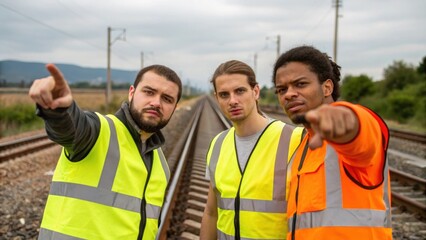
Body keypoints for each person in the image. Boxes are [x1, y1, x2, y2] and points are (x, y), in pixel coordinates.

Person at [28, 63, 182, 239]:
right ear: (131, 93)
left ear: (175, 107)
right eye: (149, 92)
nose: (156, 103)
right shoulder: (100, 131)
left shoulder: (160, 164)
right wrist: (59, 111)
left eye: (167, 99)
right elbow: (73, 128)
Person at [272, 45, 392, 240]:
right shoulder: (303, 146)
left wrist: (348, 120)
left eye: (300, 84)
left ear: (327, 87)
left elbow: (360, 131)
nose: (289, 94)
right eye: (281, 89)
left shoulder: (347, 134)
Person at [200, 60, 304, 239]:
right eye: (224, 95)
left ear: (255, 92)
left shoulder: (294, 139)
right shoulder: (218, 144)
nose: (233, 101)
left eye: (240, 91)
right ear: (217, 98)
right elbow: (211, 213)